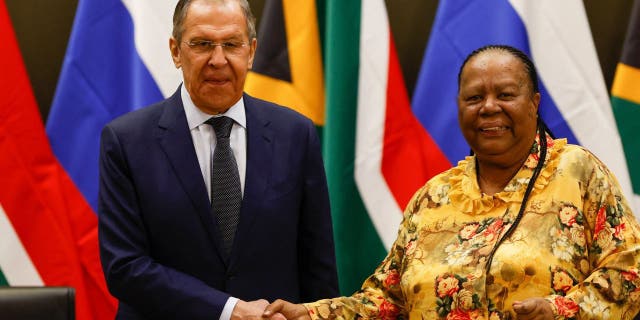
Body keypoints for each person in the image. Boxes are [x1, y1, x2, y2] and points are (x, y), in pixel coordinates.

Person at [262, 45, 640, 320]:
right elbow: (386, 302)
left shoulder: (576, 172)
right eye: (474, 97)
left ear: (534, 102)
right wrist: (309, 315)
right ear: (459, 107)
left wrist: (560, 311)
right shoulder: (433, 197)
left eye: (505, 94)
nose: (489, 106)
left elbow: (630, 273)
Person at [97, 0, 338, 319]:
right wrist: (229, 310)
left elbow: (318, 267)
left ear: (251, 51)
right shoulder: (126, 141)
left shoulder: (295, 135)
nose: (218, 60)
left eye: (232, 44)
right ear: (175, 51)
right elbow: (125, 267)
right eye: (202, 44)